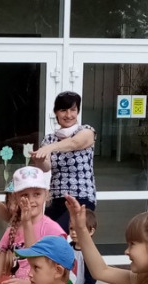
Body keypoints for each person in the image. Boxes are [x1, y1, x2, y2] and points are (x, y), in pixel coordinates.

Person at [33, 91, 96, 233]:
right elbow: (46, 167)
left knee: (56, 233)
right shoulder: (49, 139)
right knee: (42, 233)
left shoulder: (87, 131)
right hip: (57, 198)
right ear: (56, 112)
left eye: (73, 110)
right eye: (63, 110)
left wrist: (49, 148)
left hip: (81, 197)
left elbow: (74, 143)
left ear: (78, 111)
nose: (68, 115)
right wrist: (39, 160)